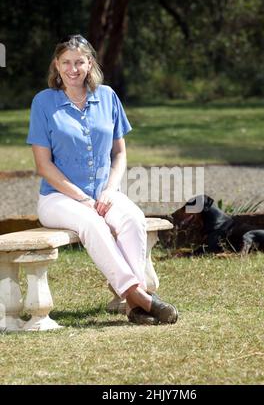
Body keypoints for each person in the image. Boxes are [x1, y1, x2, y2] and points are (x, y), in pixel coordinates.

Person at [26, 34, 178, 326]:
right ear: (56, 65)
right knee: (93, 222)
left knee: (133, 217)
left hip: (103, 193)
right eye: (66, 63)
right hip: (58, 198)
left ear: (90, 63)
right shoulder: (43, 103)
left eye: (79, 62)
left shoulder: (107, 96)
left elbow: (119, 153)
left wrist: (109, 190)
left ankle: (133, 307)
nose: (73, 69)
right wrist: (83, 199)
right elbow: (44, 167)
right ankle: (142, 298)